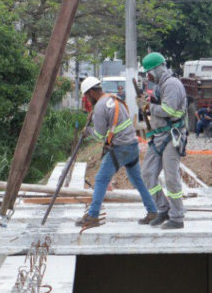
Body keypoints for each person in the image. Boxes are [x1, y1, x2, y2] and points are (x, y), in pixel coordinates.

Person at [75, 77, 160, 229]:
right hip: (132, 145)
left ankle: (93, 216)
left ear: (92, 92)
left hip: (120, 148)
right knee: (137, 181)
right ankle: (153, 211)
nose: (87, 99)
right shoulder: (114, 98)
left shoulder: (99, 107)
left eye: (87, 96)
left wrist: (88, 131)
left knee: (101, 179)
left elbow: (100, 135)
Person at [139, 52, 188, 229]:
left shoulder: (172, 84)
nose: (148, 76)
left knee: (171, 177)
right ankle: (163, 208)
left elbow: (168, 111)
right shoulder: (160, 86)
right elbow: (159, 105)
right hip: (158, 136)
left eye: (149, 72)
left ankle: (177, 217)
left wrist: (149, 106)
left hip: (171, 136)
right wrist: (149, 102)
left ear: (157, 69)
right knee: (147, 173)